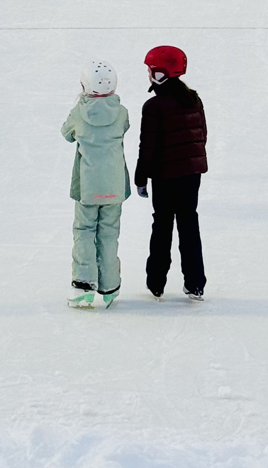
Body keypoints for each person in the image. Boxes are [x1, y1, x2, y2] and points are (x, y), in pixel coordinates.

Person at [136, 45, 209, 301]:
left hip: (165, 177)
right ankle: (195, 283)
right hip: (191, 175)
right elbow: (202, 136)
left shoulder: (154, 106)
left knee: (163, 225)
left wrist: (141, 178)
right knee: (189, 224)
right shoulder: (193, 99)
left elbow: (148, 147)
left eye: (150, 70)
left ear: (160, 74)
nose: (148, 74)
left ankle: (156, 282)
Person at [62, 60, 130, 309]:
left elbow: (66, 133)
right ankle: (110, 287)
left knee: (84, 232)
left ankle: (83, 287)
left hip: (88, 188)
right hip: (114, 186)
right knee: (110, 235)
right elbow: (124, 128)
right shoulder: (121, 112)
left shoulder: (79, 111)